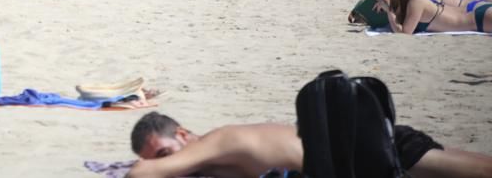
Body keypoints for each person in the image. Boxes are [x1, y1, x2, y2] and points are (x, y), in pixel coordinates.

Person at [126, 110, 492, 178]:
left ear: (184, 135)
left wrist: (154, 166)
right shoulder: (215, 164)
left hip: (368, 150)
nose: (167, 167)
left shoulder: (219, 142)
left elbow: (144, 174)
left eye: (164, 153)